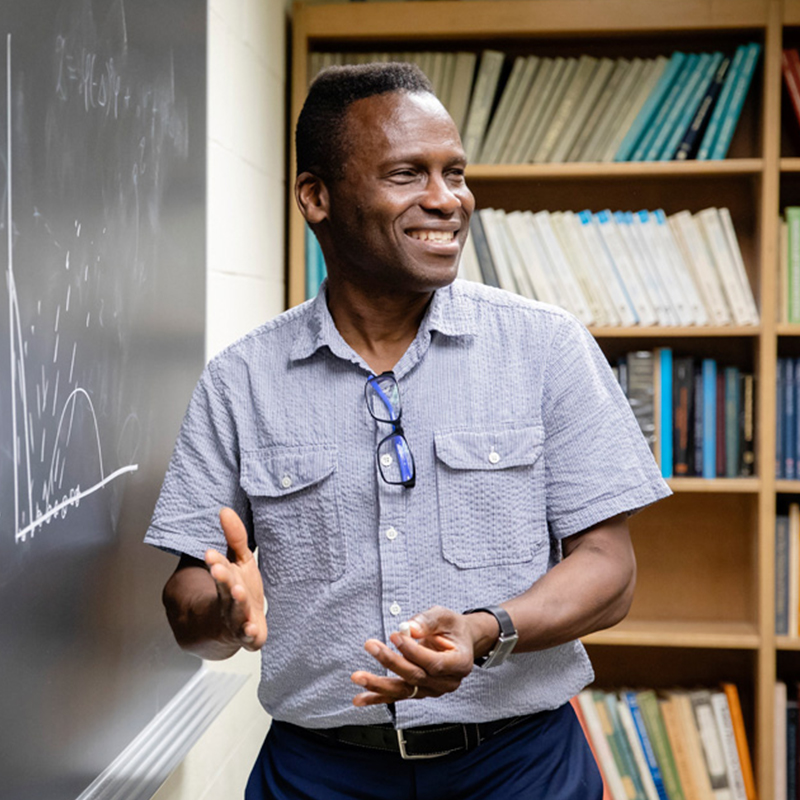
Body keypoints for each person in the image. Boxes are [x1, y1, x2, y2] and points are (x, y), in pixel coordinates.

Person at [145, 62, 671, 799]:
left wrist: (489, 629)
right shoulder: (241, 381)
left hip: (520, 769)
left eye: (454, 172)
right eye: (407, 174)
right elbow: (186, 603)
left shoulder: (546, 346)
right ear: (316, 197)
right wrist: (226, 613)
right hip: (317, 775)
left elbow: (611, 570)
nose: (446, 200)